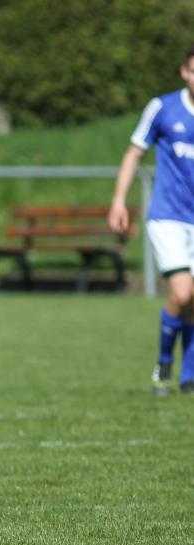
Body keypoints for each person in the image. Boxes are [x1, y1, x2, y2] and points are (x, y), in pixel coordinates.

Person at [108, 46, 194, 396]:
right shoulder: (163, 108)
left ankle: (188, 377)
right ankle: (164, 363)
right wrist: (119, 202)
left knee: (192, 299)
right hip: (168, 216)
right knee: (183, 292)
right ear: (184, 73)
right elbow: (133, 153)